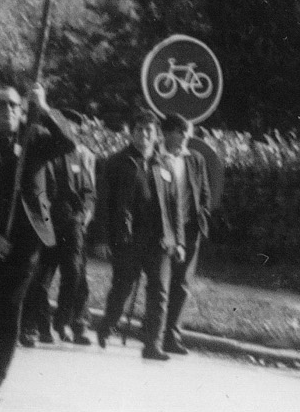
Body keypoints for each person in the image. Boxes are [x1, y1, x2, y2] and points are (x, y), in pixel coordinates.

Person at [0, 84, 77, 400]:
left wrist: (45, 107)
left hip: (25, 240)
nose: (5, 110)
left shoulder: (34, 141)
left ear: (21, 110)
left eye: (12, 105)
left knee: (9, 309)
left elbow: (68, 141)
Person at [95, 109, 182, 359]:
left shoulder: (164, 164)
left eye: (149, 131)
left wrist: (178, 241)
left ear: (156, 136)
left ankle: (152, 345)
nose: (144, 135)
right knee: (122, 289)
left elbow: (174, 206)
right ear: (132, 133)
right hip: (129, 239)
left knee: (159, 293)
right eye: (140, 130)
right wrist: (101, 238)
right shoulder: (116, 162)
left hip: (159, 240)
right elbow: (104, 204)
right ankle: (107, 324)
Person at [21, 109, 96, 346]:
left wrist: (86, 212)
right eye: (68, 125)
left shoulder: (78, 156)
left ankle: (66, 321)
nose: (72, 130)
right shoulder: (45, 149)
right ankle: (35, 326)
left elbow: (88, 191)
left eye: (75, 126)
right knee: (40, 278)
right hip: (45, 219)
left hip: (72, 221)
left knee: (75, 273)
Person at [164, 115, 216, 355]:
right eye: (180, 131)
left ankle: (172, 336)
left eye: (187, 132)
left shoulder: (196, 160)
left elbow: (204, 193)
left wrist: (201, 216)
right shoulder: (159, 158)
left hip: (190, 228)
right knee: (161, 282)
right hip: (164, 228)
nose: (185, 136)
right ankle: (153, 330)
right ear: (168, 133)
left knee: (182, 284)